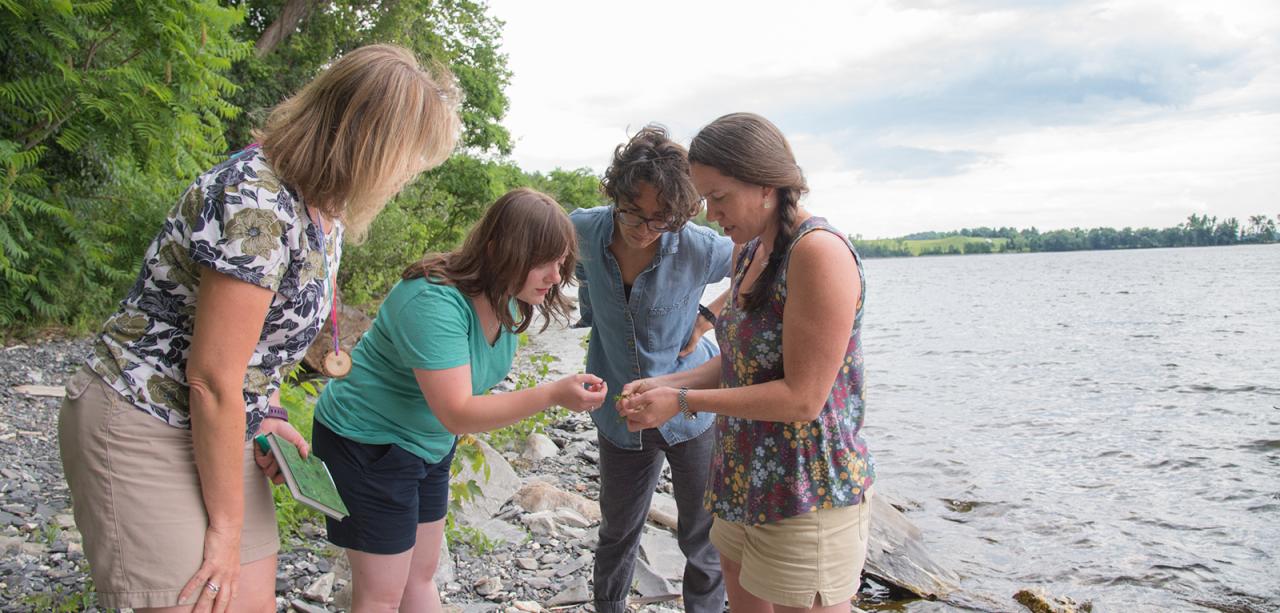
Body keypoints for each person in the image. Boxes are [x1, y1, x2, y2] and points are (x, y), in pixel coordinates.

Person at [57, 44, 460, 612]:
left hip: (225, 428)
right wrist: (223, 530)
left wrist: (268, 408)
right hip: (144, 418)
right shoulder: (259, 199)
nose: (407, 178)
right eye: (410, 159)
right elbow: (215, 375)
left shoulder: (325, 211)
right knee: (197, 598)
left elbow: (257, 350)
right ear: (369, 145)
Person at [619, 112, 875, 613]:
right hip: (740, 477)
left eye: (718, 196)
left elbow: (802, 399)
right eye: (705, 198)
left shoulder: (818, 252)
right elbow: (740, 364)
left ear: (766, 185)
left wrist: (683, 401)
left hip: (807, 491)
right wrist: (665, 383)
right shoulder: (747, 252)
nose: (710, 213)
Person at [311, 187, 609, 612]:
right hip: (366, 443)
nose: (556, 276)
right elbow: (458, 411)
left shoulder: (507, 301)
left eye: (561, 262)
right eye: (543, 261)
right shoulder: (433, 300)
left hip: (427, 444)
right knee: (381, 594)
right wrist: (552, 394)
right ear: (499, 251)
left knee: (421, 576)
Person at [571, 125, 732, 613]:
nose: (643, 230)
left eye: (660, 221)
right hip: (620, 415)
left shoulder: (699, 246)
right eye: (633, 214)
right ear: (615, 194)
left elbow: (765, 260)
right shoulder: (581, 229)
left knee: (701, 539)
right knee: (616, 532)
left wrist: (708, 318)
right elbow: (562, 269)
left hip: (691, 413)